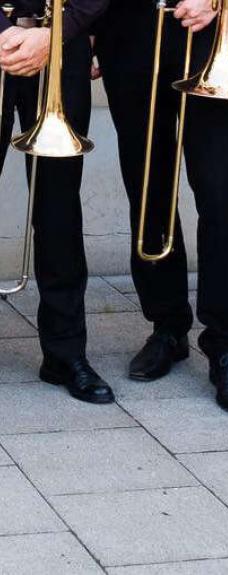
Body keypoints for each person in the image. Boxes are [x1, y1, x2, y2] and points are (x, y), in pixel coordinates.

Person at [94, 0, 228, 413]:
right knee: (148, 185)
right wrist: (86, 27)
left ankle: (226, 345)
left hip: (208, 30)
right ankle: (167, 326)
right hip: (127, 30)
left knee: (219, 190)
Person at [0, 0, 113, 404]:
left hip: (63, 47)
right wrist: (4, 32)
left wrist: (57, 34)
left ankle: (65, 353)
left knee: (59, 210)